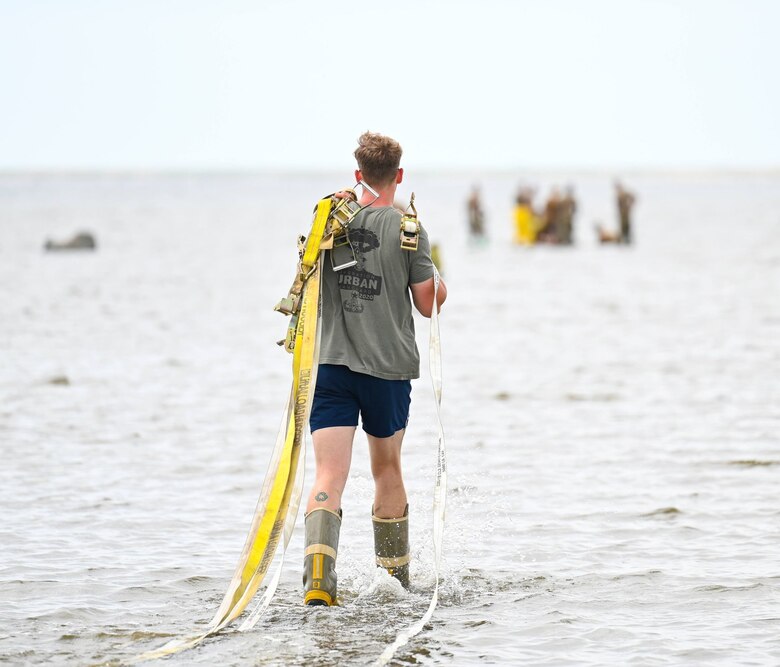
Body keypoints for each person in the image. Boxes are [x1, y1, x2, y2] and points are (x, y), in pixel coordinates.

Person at [302, 131, 448, 606]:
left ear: (358, 174)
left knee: (328, 474)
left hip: (332, 366)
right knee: (386, 468)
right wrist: (438, 277)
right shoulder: (410, 229)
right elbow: (428, 305)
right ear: (399, 175)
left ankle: (319, 583)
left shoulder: (330, 218)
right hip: (387, 370)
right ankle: (396, 582)